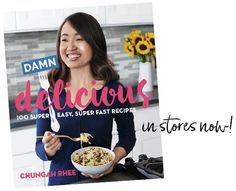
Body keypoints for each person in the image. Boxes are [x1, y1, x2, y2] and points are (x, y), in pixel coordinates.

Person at [35, 12, 136, 186]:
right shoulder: (48, 91)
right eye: (64, 39)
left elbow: (128, 136)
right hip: (61, 182)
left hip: (103, 181)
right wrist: (47, 149)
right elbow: (39, 146)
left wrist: (112, 160)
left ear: (94, 43)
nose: (70, 47)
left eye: (79, 39)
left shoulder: (115, 90)